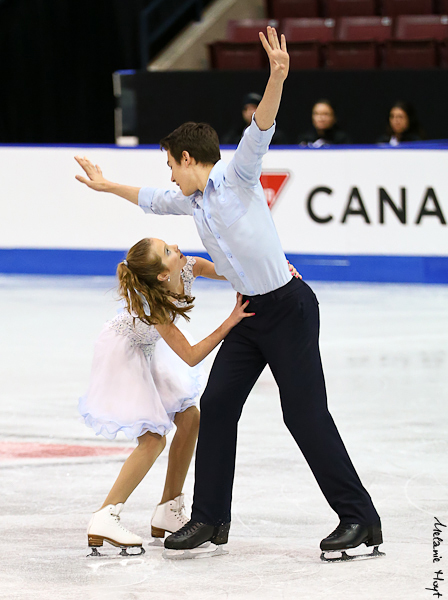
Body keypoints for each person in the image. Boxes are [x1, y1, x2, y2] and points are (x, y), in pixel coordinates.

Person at [75, 26, 382, 562]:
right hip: (250, 313)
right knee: (215, 407)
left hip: (287, 308)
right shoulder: (190, 203)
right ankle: (209, 518)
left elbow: (262, 124)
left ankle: (360, 519)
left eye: (171, 163)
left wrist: (278, 77)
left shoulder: (238, 176)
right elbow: (148, 199)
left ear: (190, 159)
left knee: (305, 415)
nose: (169, 173)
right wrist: (107, 187)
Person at [81, 236, 255, 556]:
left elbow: (230, 272)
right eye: (168, 251)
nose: (176, 247)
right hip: (126, 354)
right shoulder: (152, 304)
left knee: (189, 418)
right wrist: (230, 322)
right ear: (162, 274)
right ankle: (106, 515)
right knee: (153, 440)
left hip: (152, 351)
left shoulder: (188, 267)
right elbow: (189, 355)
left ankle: (168, 509)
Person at [221, 91, 289, 145]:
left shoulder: (276, 137)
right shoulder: (234, 136)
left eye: (253, 108)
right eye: (246, 109)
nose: (250, 112)